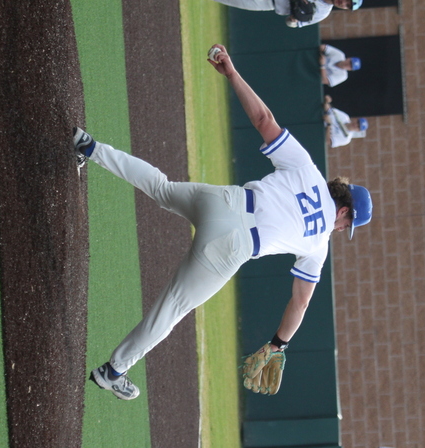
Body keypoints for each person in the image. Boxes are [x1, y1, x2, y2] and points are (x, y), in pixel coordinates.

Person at [74, 44, 373, 400]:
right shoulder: (318, 244)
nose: (342, 230)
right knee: (172, 308)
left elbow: (264, 119)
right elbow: (301, 302)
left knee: (161, 187)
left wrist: (232, 72)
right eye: (347, 225)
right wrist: (278, 344)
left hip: (224, 200)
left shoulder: (307, 167)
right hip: (231, 247)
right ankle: (113, 371)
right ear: (344, 212)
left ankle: (90, 147)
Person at [211, 0, 362, 29]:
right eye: (347, 0)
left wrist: (294, 18)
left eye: (347, 6)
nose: (343, 3)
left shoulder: (322, 13)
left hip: (266, 3)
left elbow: (292, 24)